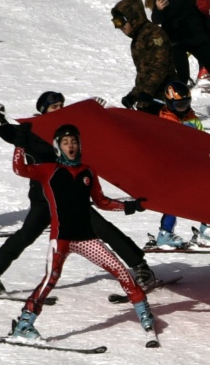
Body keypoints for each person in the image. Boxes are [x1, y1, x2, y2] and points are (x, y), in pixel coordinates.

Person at [0, 92, 156, 294]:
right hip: (43, 198)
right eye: (54, 107)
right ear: (43, 110)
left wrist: (94, 112)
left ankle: (141, 268)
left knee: (103, 230)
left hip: (71, 195)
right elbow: (9, 132)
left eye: (62, 105)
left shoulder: (67, 132)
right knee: (25, 236)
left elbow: (92, 131)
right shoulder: (32, 129)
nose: (59, 110)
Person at [8, 124, 156, 344]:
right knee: (50, 279)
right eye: (66, 142)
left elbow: (102, 202)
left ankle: (145, 315)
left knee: (121, 272)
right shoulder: (49, 170)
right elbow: (19, 169)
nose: (71, 146)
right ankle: (24, 324)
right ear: (58, 146)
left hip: (87, 238)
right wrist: (20, 142)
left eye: (74, 142)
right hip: (62, 239)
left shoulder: (88, 171)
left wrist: (131, 206)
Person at [113, 0, 210, 120]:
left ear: (133, 18)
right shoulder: (138, 39)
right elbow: (145, 74)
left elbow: (158, 69)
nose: (118, 27)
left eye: (120, 22)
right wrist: (134, 95)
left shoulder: (154, 35)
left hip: (166, 101)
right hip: (150, 99)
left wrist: (145, 93)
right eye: (115, 23)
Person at [149, 81, 210, 250]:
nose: (183, 108)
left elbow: (202, 138)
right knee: (174, 202)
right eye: (180, 105)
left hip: (193, 166)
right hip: (173, 170)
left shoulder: (192, 117)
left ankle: (206, 229)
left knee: (205, 196)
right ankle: (164, 234)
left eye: (186, 103)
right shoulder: (164, 120)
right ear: (170, 103)